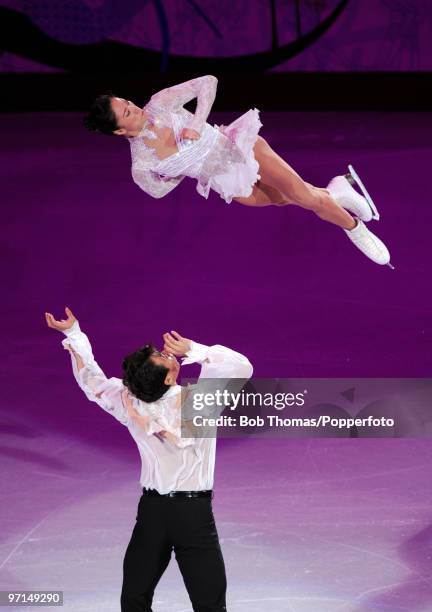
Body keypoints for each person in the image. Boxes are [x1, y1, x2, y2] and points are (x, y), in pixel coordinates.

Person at [45, 306, 253, 612]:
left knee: (177, 603)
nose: (169, 353)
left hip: (179, 515)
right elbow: (241, 367)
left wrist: (73, 334)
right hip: (167, 515)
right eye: (166, 356)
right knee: (143, 600)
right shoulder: (198, 401)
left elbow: (92, 381)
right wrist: (195, 349)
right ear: (170, 376)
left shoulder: (128, 399)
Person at [83, 75, 393, 268]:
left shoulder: (160, 104)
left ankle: (356, 229)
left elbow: (209, 82)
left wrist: (195, 123)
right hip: (225, 182)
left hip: (241, 148)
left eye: (127, 101)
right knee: (292, 199)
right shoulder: (142, 163)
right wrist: (181, 169)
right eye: (126, 112)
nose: (134, 107)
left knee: (304, 198)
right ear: (119, 131)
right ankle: (336, 191)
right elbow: (156, 189)